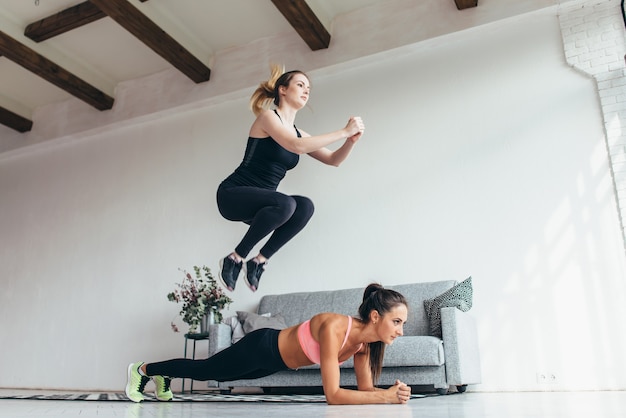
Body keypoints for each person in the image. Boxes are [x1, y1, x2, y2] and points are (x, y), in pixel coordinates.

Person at [125, 283, 412, 405]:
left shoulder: (364, 346)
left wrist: (393, 393)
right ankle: (143, 370)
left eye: (403, 324)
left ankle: (163, 375)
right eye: (397, 322)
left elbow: (364, 390)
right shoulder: (335, 327)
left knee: (214, 373)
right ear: (375, 316)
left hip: (272, 364)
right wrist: (383, 397)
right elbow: (333, 395)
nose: (401, 330)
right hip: (262, 346)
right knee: (207, 371)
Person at [216, 64, 365, 292]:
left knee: (304, 206)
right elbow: (296, 146)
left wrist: (350, 141)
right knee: (286, 202)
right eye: (300, 85)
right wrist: (343, 131)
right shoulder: (268, 118)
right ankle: (235, 258)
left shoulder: (299, 132)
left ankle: (259, 262)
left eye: (308, 88)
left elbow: (333, 159)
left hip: (262, 208)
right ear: (282, 90)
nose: (306, 90)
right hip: (233, 195)